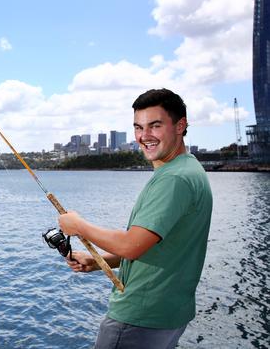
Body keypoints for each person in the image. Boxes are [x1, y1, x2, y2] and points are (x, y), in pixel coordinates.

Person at [58, 88, 212, 349]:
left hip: (139, 318)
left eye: (155, 126)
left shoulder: (173, 179)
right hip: (168, 314)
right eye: (138, 127)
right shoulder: (189, 168)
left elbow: (132, 245)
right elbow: (159, 248)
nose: (144, 136)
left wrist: (78, 225)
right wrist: (99, 261)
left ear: (180, 126)